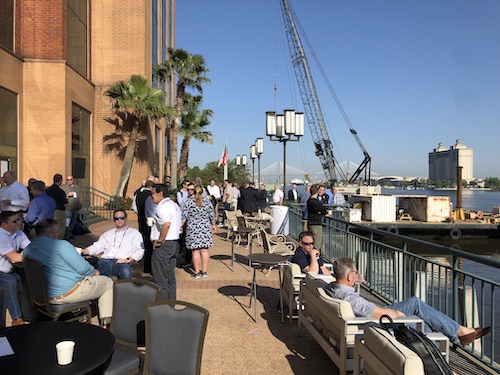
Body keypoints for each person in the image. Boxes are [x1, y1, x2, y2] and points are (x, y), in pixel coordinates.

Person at [327, 257, 491, 346]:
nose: (358, 274)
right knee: (420, 315)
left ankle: (456, 333)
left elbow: (358, 301)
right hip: (375, 324)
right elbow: (376, 312)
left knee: (415, 303)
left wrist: (355, 281)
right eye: (355, 272)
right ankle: (455, 334)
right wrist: (396, 313)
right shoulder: (352, 299)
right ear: (349, 276)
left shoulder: (334, 288)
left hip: (366, 318)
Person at [23, 219, 113, 327]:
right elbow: (83, 268)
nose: (58, 234)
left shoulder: (27, 250)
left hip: (42, 296)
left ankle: (84, 317)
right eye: (57, 231)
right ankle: (106, 325)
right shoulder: (61, 245)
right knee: (108, 283)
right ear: (51, 232)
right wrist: (94, 272)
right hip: (66, 293)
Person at [81, 210, 144, 279]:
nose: (119, 220)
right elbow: (97, 246)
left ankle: (125, 289)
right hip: (105, 261)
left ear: (126, 219)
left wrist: (128, 259)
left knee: (126, 274)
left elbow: (140, 250)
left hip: (122, 262)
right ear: (114, 220)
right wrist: (83, 251)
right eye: (117, 218)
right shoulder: (108, 234)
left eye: (122, 218)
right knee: (89, 273)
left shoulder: (134, 233)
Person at [150, 184, 182, 300]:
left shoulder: (161, 207)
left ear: (160, 193)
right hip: (174, 243)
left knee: (161, 279)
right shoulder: (174, 205)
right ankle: (171, 303)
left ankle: (164, 307)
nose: (151, 196)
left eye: (152, 193)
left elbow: (166, 224)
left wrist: (160, 240)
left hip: (165, 245)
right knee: (170, 277)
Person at [0, 211, 30, 326]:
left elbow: (30, 247)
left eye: (18, 219)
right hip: (2, 272)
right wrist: (31, 253)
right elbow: (14, 258)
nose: (18, 222)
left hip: (9, 271)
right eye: (14, 221)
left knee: (27, 276)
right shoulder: (1, 236)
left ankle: (31, 312)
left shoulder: (19, 233)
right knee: (10, 282)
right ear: (4, 225)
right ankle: (17, 319)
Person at [181, 185, 216, 279]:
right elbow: (211, 214)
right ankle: (204, 271)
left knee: (195, 251)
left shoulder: (189, 202)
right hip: (205, 227)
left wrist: (180, 226)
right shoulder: (207, 201)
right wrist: (213, 224)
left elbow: (184, 215)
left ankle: (196, 272)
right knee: (205, 250)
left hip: (193, 228)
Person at [136, 180, 155, 274]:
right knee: (150, 244)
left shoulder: (139, 194)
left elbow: (134, 207)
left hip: (141, 220)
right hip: (150, 222)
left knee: (144, 242)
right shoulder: (150, 196)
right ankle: (149, 266)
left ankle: (144, 264)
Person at [46, 174, 68, 239]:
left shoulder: (48, 190)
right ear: (61, 180)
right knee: (60, 230)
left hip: (49, 211)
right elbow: (65, 204)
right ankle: (58, 243)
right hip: (59, 212)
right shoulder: (60, 191)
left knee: (50, 228)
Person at [61, 175, 82, 240]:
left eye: (71, 179)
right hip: (68, 208)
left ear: (73, 180)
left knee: (73, 222)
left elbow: (80, 196)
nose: (69, 181)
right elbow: (61, 197)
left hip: (76, 208)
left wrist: (80, 204)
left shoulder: (77, 187)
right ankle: (66, 236)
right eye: (67, 180)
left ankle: (70, 234)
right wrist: (67, 195)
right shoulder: (63, 188)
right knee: (67, 223)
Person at [307, 185, 327, 251]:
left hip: (310, 223)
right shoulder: (316, 202)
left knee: (312, 243)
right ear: (317, 191)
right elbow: (323, 210)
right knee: (317, 244)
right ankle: (314, 259)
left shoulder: (309, 201)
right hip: (316, 224)